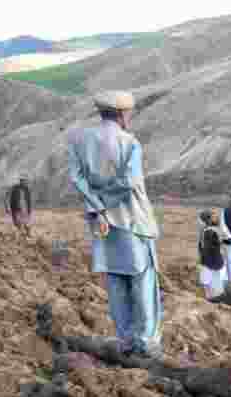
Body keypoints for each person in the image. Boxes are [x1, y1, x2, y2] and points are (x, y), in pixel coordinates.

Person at [67, 90, 163, 357]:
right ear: (122, 114)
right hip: (133, 221)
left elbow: (76, 178)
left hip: (101, 224)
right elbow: (130, 182)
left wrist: (97, 207)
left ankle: (125, 340)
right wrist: (108, 203)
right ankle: (146, 342)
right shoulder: (129, 143)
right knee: (142, 280)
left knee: (116, 281)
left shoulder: (80, 140)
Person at [197, 209, 227, 299]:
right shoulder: (211, 231)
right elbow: (212, 248)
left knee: (211, 285)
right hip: (215, 262)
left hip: (211, 262)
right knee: (215, 285)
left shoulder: (208, 231)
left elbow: (207, 249)